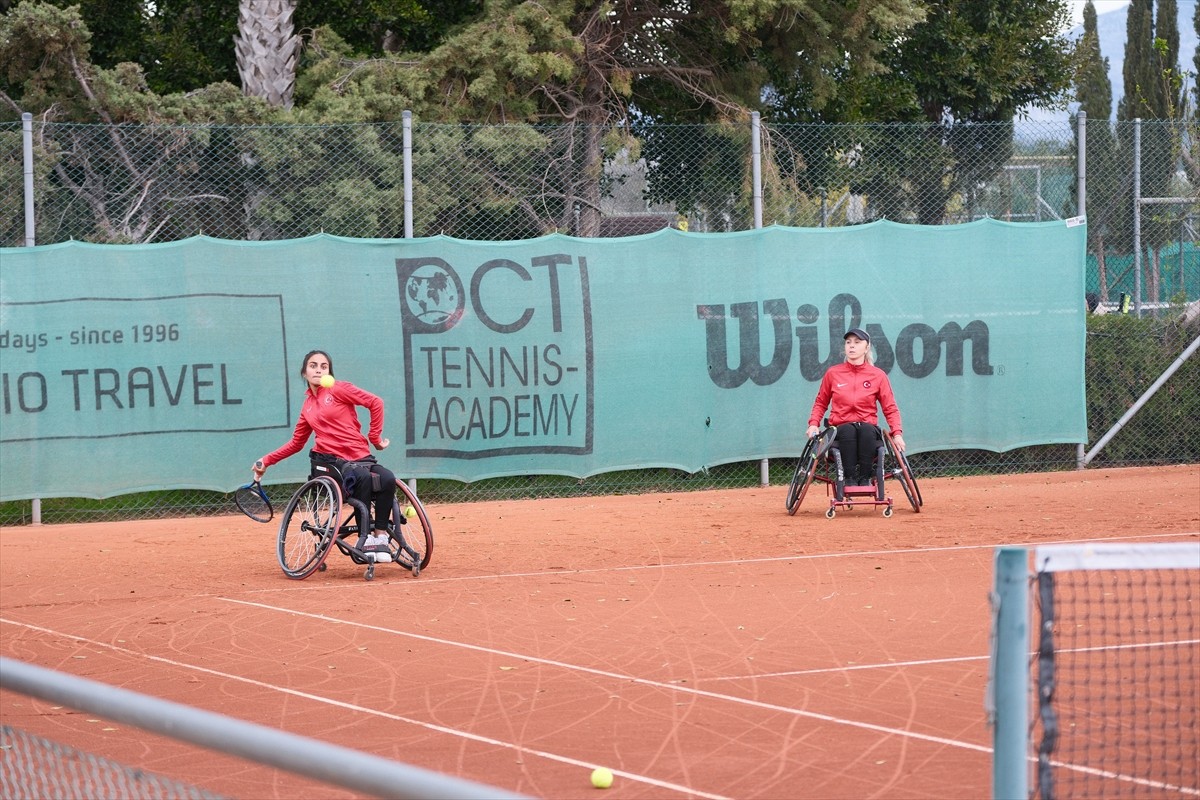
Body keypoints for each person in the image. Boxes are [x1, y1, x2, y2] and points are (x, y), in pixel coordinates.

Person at [253, 350, 396, 549]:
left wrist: (375, 438)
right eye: (313, 366)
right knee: (362, 478)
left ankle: (380, 535)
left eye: (324, 366)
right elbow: (296, 443)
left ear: (329, 372)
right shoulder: (307, 407)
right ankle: (366, 538)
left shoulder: (339, 389)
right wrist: (267, 460)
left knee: (388, 478)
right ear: (304, 373)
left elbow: (376, 403)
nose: (318, 370)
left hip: (362, 456)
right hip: (333, 462)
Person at [806, 328, 906, 500]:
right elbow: (821, 402)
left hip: (868, 428)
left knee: (866, 429)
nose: (852, 346)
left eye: (857, 342)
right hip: (840, 429)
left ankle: (866, 477)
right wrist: (813, 424)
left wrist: (897, 434)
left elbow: (890, 407)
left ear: (866, 348)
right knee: (848, 430)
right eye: (848, 342)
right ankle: (850, 478)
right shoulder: (833, 373)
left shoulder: (878, 375)